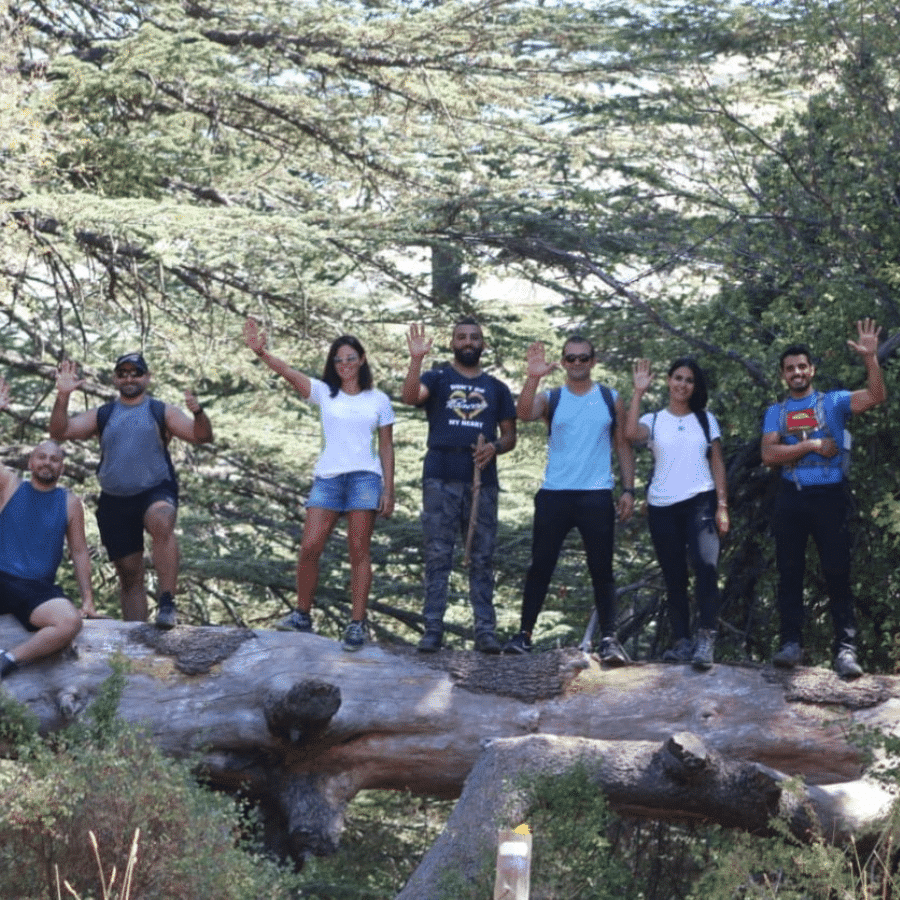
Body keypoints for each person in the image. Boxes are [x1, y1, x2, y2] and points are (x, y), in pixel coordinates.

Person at [243, 318, 395, 651]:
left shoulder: (379, 399)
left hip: (365, 479)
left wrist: (389, 490)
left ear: (362, 360)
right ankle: (302, 614)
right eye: (338, 360)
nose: (345, 365)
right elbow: (288, 372)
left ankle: (356, 624)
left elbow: (386, 446)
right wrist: (261, 353)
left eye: (351, 358)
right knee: (310, 547)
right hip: (327, 478)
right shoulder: (325, 392)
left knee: (358, 550)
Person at [761, 318, 886, 678]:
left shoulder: (833, 402)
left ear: (812, 369)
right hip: (792, 495)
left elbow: (876, 396)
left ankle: (846, 650)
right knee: (789, 572)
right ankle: (790, 645)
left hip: (830, 495)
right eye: (790, 369)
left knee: (837, 571)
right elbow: (769, 456)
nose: (797, 372)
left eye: (802, 366)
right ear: (784, 375)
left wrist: (870, 358)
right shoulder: (776, 412)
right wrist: (813, 445)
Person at [49, 353, 213, 627]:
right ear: (115, 379)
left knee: (161, 520)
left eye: (135, 373)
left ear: (146, 378)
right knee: (129, 574)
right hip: (115, 499)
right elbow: (60, 431)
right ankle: (135, 634)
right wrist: (63, 395)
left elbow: (202, 436)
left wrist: (198, 413)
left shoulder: (162, 411)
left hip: (155, 489)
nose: (129, 378)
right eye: (122, 373)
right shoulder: (104, 413)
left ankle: (167, 602)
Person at [504, 337, 635, 663]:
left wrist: (629, 489)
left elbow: (622, 445)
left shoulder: (609, 398)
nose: (577, 364)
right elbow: (522, 414)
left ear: (593, 360)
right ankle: (524, 636)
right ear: (563, 362)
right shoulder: (553, 397)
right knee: (540, 566)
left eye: (583, 358)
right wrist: (533, 377)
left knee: (602, 568)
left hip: (596, 494)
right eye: (571, 359)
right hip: (555, 493)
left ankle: (608, 639)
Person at [401, 318, 516, 653]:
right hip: (440, 474)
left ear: (483, 345)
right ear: (452, 343)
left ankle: (485, 631)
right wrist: (416, 360)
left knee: (481, 556)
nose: (468, 342)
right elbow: (410, 397)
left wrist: (494, 447)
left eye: (475, 338)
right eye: (462, 337)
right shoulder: (436, 378)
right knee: (438, 554)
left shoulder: (496, 388)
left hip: (483, 481)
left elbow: (510, 436)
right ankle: (432, 628)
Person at [624, 358, 729, 670]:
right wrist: (638, 392)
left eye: (689, 380)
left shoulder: (706, 420)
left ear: (695, 387)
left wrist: (722, 505)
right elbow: (630, 434)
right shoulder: (654, 420)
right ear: (669, 381)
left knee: (706, 565)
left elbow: (718, 462)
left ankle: (706, 639)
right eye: (678, 378)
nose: (683, 385)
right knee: (674, 576)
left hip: (701, 499)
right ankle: (681, 642)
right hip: (661, 506)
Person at [0, 412, 96, 680]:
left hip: (36, 589)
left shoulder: (69, 502)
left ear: (62, 468)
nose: (47, 463)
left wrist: (87, 600)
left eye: (55, 459)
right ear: (31, 462)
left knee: (70, 622)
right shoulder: (10, 485)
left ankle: (9, 659)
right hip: (2, 577)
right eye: (42, 457)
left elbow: (78, 552)